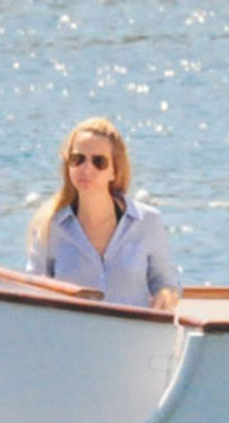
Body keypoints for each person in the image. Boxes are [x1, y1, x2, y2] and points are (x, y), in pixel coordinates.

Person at [27, 116, 180, 310]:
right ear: (68, 166)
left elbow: (166, 282)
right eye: (78, 159)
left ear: (114, 171)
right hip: (70, 328)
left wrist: (165, 294)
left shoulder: (148, 222)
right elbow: (33, 292)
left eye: (99, 162)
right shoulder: (49, 227)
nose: (86, 168)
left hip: (132, 328)